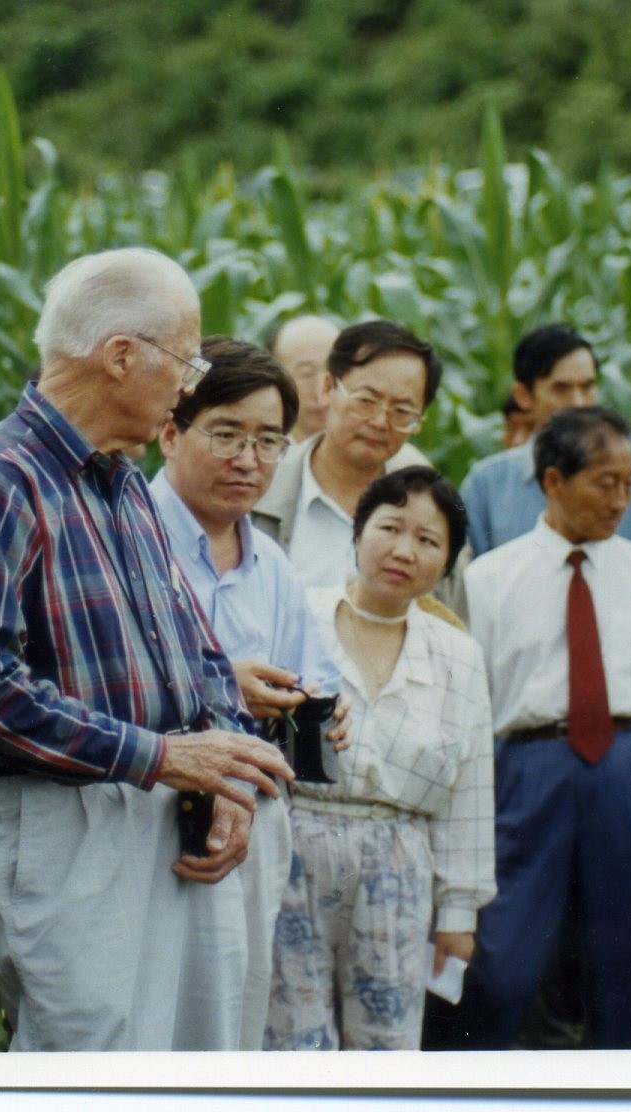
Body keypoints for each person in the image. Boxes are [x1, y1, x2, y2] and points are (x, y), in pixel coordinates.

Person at [0, 247, 294, 1051]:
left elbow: (194, 648)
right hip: (61, 826)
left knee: (192, 1067)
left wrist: (225, 775)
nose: (191, 381)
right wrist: (160, 756)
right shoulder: (1, 478)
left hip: (160, 810)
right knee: (90, 1072)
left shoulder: (121, 480)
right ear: (121, 354)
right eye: (186, 358)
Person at [435, 407, 631, 1050]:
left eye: (629, 482)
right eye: (605, 482)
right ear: (554, 481)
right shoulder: (487, 581)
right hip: (527, 772)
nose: (621, 499)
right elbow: (460, 711)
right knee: (498, 961)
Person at [148, 335, 349, 1050]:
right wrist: (221, 687)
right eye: (226, 434)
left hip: (250, 822)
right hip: (147, 820)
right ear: (170, 432)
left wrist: (323, 707)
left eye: (270, 441)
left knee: (230, 1021)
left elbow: (314, 674)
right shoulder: (128, 543)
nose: (248, 459)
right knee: (147, 1023)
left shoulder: (272, 564)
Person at [265, 467, 495, 1050]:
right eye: (390, 527)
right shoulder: (296, 616)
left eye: (428, 540)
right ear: (358, 531)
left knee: (385, 1040)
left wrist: (459, 912)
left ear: (447, 562)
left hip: (399, 861)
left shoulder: (457, 655)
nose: (403, 550)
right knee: (291, 1038)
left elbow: (471, 788)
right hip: (291, 852)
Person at [252, 319, 443, 589]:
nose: (379, 422)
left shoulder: (433, 511)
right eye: (365, 401)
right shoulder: (259, 489)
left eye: (401, 411)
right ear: (327, 388)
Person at [459, 325, 631, 562]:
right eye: (561, 389)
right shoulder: (486, 487)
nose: (578, 403)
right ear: (523, 396)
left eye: (587, 386)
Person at [266, 314, 342, 443]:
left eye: (332, 371)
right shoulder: (260, 458)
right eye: (306, 374)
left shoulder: (378, 457)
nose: (321, 393)